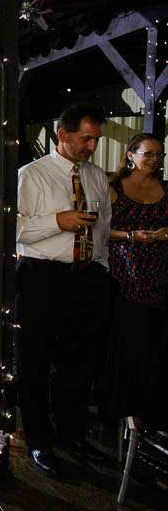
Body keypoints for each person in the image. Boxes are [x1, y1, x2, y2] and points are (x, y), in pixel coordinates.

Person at [15, 102, 111, 476]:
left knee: (78, 363)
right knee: (35, 362)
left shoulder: (97, 175)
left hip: (87, 277)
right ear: (63, 135)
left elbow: (103, 227)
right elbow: (14, 228)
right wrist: (58, 221)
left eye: (96, 140)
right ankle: (39, 441)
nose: (91, 147)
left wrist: (101, 266)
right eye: (85, 139)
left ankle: (71, 435)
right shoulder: (31, 175)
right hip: (42, 275)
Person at [105, 133, 168, 428]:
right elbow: (99, 230)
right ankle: (122, 410)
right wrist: (131, 236)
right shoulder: (113, 188)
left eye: (159, 155)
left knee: (156, 347)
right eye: (148, 154)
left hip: (160, 271)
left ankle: (153, 412)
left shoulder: (165, 189)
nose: (154, 160)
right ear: (131, 155)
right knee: (130, 343)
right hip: (126, 272)